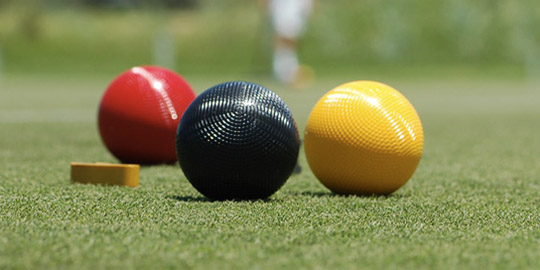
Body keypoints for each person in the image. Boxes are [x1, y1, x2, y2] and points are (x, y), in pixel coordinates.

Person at [261, 0, 315, 86]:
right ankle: (285, 71)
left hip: (297, 4)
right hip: (282, 4)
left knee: (292, 38)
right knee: (284, 36)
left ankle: (288, 70)